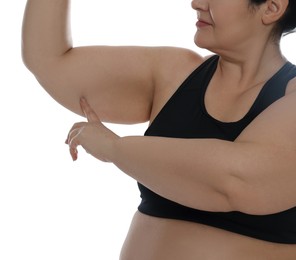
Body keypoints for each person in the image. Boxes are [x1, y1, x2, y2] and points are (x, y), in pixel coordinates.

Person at [22, 0, 296, 259]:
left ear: (271, 7)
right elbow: (48, 61)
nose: (196, 2)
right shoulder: (174, 72)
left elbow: (236, 181)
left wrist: (114, 148)